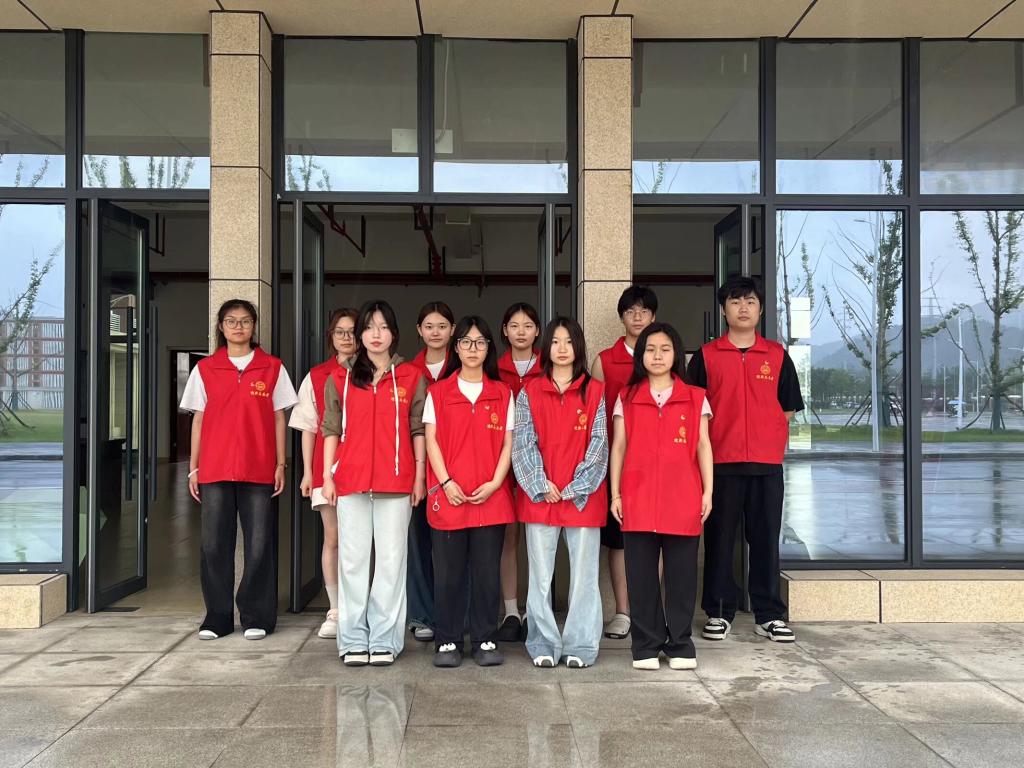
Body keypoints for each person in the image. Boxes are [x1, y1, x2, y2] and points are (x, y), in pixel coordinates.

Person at [687, 276, 804, 644]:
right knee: (719, 540)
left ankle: (768, 614)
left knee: (766, 539)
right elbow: (693, 410)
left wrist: (766, 434)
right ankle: (719, 611)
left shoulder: (777, 355)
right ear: (724, 310)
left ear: (761, 309)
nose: (743, 308)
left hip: (766, 465)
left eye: (750, 301)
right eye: (735, 302)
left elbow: (788, 408)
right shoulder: (706, 356)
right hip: (721, 463)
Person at [181, 299, 298, 641]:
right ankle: (217, 617)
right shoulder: (206, 369)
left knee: (259, 544)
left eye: (245, 321)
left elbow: (279, 418)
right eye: (231, 321)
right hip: (215, 469)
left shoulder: (272, 367)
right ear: (221, 326)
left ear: (253, 326)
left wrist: (280, 463)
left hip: (259, 468)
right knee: (213, 546)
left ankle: (257, 615)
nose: (238, 327)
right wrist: (193, 468)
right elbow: (198, 420)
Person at [321, 300, 428, 666]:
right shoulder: (341, 378)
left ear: (394, 333)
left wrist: (419, 476)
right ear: (359, 335)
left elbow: (418, 429)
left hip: (396, 483)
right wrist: (327, 476)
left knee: (391, 563)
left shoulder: (411, 377)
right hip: (350, 481)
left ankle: (384, 639)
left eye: (383, 327)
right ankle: (352, 639)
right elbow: (331, 429)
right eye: (369, 327)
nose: (376, 334)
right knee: (352, 562)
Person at [609, 323, 713, 670]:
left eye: (665, 349)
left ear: (676, 354)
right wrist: (615, 494)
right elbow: (619, 447)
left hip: (683, 497)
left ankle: (680, 644)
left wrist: (708, 491)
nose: (657, 356)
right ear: (641, 356)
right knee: (641, 577)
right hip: (637, 497)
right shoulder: (627, 397)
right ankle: (646, 645)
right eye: (650, 349)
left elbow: (703, 445)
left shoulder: (695, 396)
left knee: (682, 577)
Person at [513, 317, 608, 668]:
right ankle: (542, 643)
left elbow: (599, 444)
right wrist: (541, 485)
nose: (562, 348)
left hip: (582, 499)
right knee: (539, 577)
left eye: (569, 341)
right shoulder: (530, 391)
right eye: (555, 342)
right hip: (542, 498)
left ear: (578, 346)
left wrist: (574, 487)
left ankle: (581, 646)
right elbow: (522, 443)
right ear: (546, 347)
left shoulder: (595, 391)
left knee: (584, 578)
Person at [424, 315, 515, 668]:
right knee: (448, 574)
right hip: (450, 497)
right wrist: (446, 482)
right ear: (456, 348)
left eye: (479, 342)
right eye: (466, 342)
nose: (473, 349)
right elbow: (431, 440)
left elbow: (508, 443)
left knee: (486, 574)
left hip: (491, 498)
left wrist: (495, 482)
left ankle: (484, 638)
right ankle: (447, 639)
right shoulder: (438, 392)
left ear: (489, 347)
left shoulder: (502, 393)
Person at [591, 285, 658, 640]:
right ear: (622, 317)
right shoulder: (604, 361)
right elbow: (593, 416)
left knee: (656, 536)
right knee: (618, 541)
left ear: (653, 317)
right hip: (616, 465)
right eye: (630, 311)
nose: (637, 317)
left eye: (644, 311)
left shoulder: (664, 356)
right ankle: (623, 611)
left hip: (657, 466)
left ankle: (650, 609)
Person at [288, 307, 358, 639]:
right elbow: (308, 428)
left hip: (364, 467)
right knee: (333, 538)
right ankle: (335, 608)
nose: (347, 338)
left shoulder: (375, 372)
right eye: (340, 332)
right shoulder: (317, 376)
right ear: (331, 336)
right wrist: (307, 472)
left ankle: (363, 606)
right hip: (325, 468)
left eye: (352, 331)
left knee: (364, 541)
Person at [406, 301, 456, 643]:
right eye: (429, 326)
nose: (435, 332)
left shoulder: (466, 364)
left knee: (456, 548)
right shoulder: (408, 371)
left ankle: (457, 613)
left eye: (442, 326)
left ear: (452, 330)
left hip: (458, 469)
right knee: (418, 541)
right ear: (419, 331)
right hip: (417, 471)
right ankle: (422, 615)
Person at [494, 302, 542, 642]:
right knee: (509, 538)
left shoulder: (550, 366)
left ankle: (538, 609)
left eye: (527, 325)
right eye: (514, 325)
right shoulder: (494, 369)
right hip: (503, 467)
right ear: (505, 331)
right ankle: (511, 611)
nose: (521, 331)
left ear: (537, 331)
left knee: (540, 541)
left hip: (541, 466)